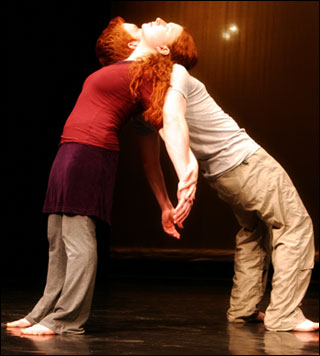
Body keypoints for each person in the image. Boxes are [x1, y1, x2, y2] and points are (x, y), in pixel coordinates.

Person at [97, 17, 319, 333]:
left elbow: (151, 162)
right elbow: (174, 123)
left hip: (223, 176)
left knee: (253, 230)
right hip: (245, 162)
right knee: (294, 224)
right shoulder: (176, 72)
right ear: (163, 50)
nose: (162, 22)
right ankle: (285, 314)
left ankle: (243, 309)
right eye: (171, 29)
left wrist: (166, 203)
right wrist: (187, 173)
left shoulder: (143, 97)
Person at [6, 17, 198, 336]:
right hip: (70, 147)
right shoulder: (126, 65)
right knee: (57, 235)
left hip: (93, 151)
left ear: (159, 48)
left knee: (79, 237)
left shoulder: (149, 73)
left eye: (144, 28)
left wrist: (186, 170)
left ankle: (67, 319)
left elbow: (169, 124)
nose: (149, 23)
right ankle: (44, 310)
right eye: (137, 28)